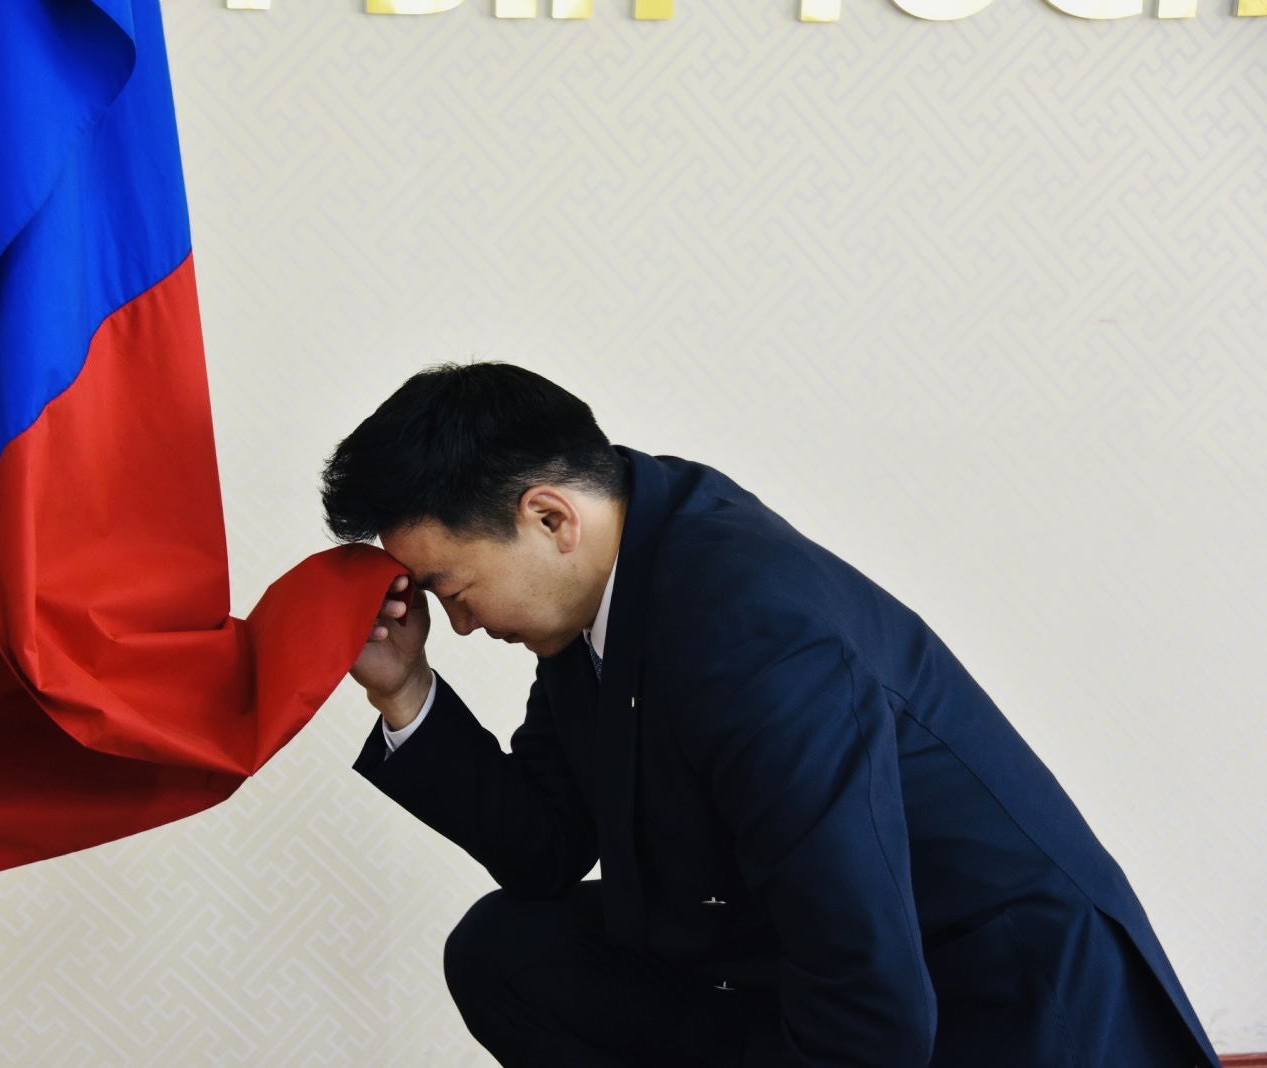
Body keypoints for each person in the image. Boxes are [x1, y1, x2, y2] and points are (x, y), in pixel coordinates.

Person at [322, 362, 1221, 1067]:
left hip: (995, 1002)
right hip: (797, 960)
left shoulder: (751, 631)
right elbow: (546, 851)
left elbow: (869, 992)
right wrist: (403, 689)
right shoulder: (600, 583)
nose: (461, 625)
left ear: (550, 518)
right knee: (510, 952)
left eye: (454, 589)